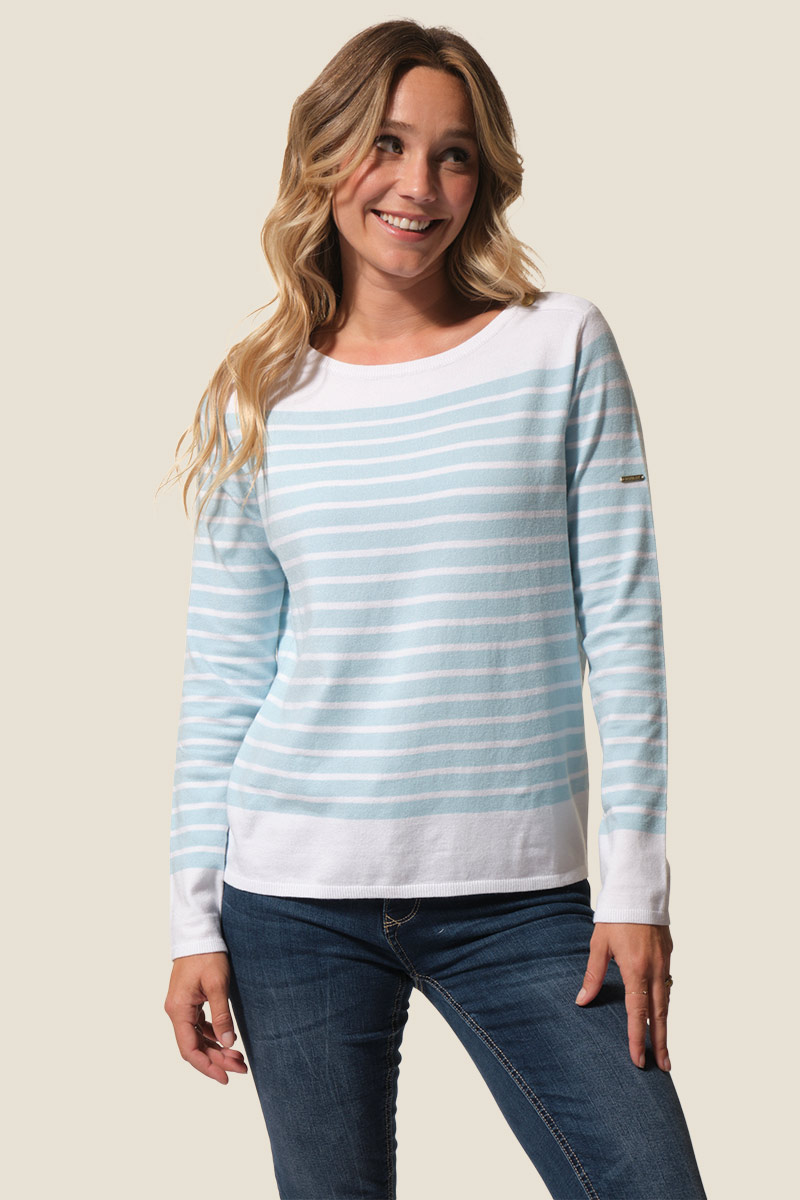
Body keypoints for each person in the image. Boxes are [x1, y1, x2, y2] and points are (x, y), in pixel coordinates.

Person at [163, 19, 707, 1200]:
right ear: (324, 158)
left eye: (452, 155)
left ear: (484, 176)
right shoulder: (256, 397)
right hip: (290, 899)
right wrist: (192, 920)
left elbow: (623, 626)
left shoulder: (556, 348)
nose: (417, 185)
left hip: (521, 900)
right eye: (385, 145)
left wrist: (633, 889)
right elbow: (225, 678)